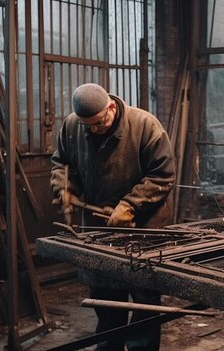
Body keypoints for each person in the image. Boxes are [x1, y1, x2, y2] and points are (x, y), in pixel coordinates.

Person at [51, 83, 175, 351]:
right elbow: (62, 162)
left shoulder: (145, 126)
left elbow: (162, 175)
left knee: (144, 295)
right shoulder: (73, 125)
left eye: (98, 123)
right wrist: (64, 188)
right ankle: (109, 346)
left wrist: (130, 205)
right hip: (98, 227)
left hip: (143, 227)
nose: (94, 129)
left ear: (110, 106)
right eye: (88, 126)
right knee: (104, 294)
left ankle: (142, 347)